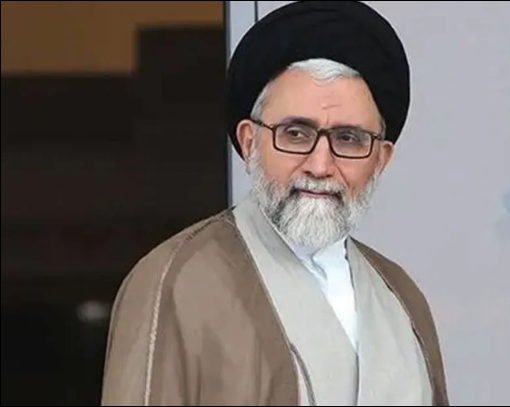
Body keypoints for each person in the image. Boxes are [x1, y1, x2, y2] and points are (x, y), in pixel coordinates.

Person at [100, 1, 449, 406]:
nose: (320, 165)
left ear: (381, 159)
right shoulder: (179, 281)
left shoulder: (400, 296)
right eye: (296, 133)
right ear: (250, 141)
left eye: (348, 139)